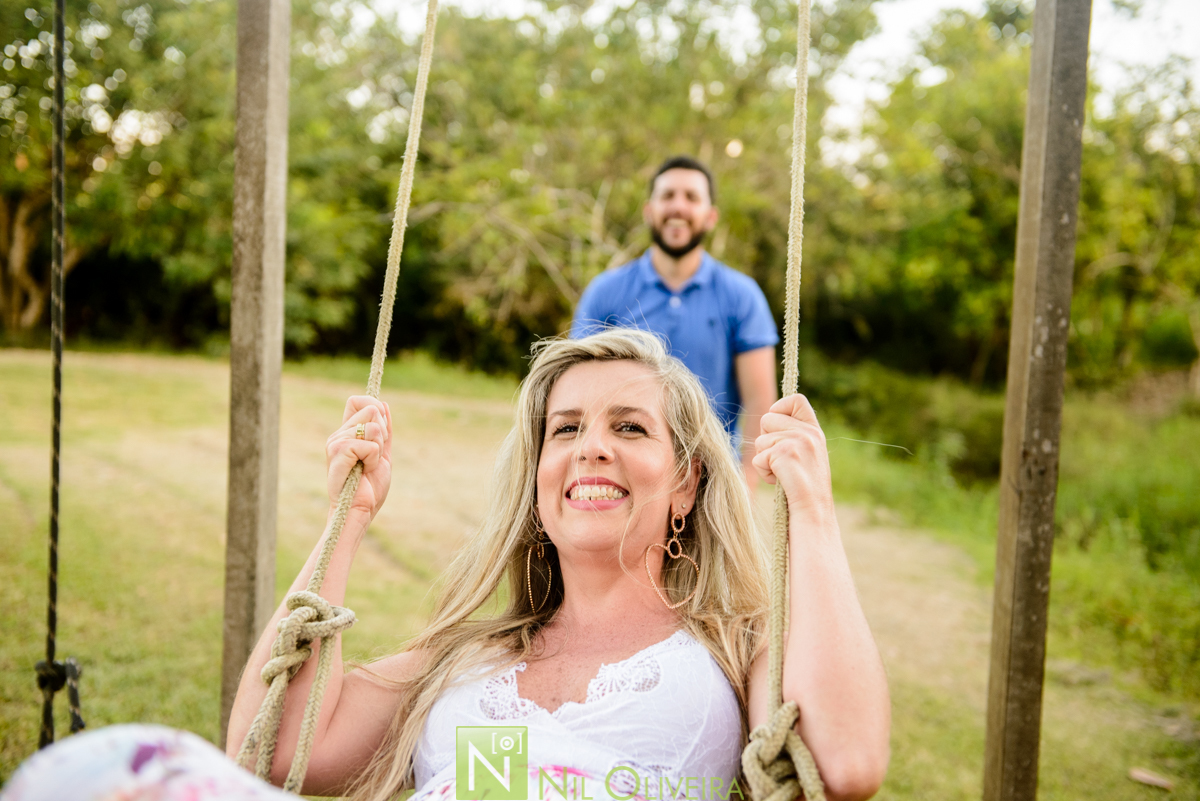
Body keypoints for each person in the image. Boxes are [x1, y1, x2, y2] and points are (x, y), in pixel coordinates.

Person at [2, 330, 889, 801]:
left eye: (629, 426)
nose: (589, 449)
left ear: (688, 482)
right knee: (128, 764)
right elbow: (272, 750)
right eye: (566, 427)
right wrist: (346, 521)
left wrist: (810, 510)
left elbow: (845, 765)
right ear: (538, 474)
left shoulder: (732, 647)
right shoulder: (468, 656)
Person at [572, 157, 779, 490]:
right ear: (649, 210)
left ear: (711, 217)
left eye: (691, 197)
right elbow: (578, 389)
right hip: (622, 475)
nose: (678, 206)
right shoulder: (606, 291)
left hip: (712, 480)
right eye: (667, 196)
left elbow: (760, 399)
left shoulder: (742, 296)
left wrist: (747, 481)